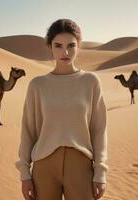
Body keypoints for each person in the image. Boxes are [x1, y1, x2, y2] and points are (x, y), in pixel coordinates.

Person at [15, 18, 108, 200]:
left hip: (81, 166)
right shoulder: (37, 85)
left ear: (78, 46)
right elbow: (28, 131)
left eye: (71, 45)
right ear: (50, 46)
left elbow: (99, 130)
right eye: (58, 45)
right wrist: (25, 174)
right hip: (44, 166)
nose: (65, 52)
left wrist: (101, 171)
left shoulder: (91, 82)